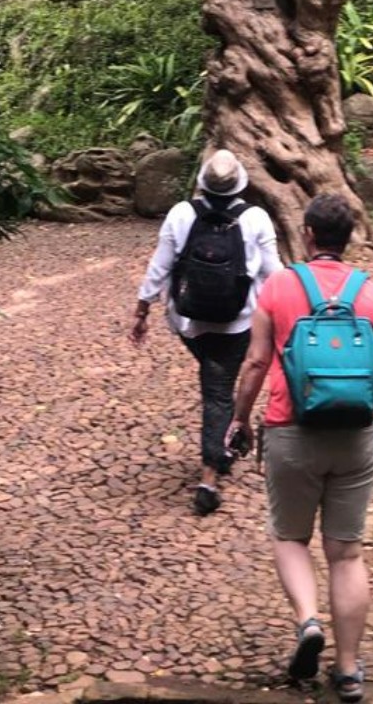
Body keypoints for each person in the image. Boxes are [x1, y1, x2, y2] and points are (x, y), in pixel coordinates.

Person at [225, 193, 373, 702]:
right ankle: (349, 670)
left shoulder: (279, 287)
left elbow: (257, 364)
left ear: (307, 234)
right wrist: (364, 387)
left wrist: (239, 419)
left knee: (289, 536)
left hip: (292, 429)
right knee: (346, 552)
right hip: (357, 434)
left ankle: (308, 622)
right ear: (349, 236)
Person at [129, 149, 281, 516]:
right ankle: (210, 477)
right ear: (239, 184)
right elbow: (272, 273)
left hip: (190, 322)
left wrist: (142, 309)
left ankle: (224, 440)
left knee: (217, 381)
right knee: (218, 389)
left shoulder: (182, 214)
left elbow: (161, 264)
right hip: (236, 322)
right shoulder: (255, 218)